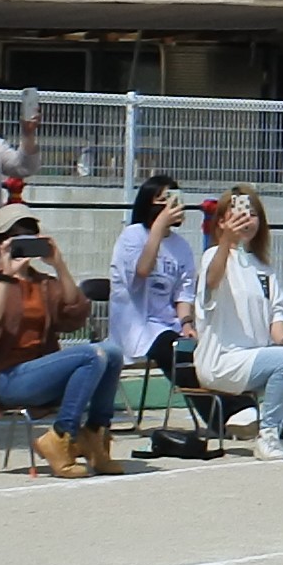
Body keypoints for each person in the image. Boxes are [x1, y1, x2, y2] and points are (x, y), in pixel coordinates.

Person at [190, 186, 283, 461]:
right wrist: (226, 241)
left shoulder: (264, 267)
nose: (247, 219)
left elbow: (277, 320)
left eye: (253, 214)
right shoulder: (213, 257)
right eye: (239, 213)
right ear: (221, 222)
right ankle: (268, 435)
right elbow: (211, 282)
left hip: (258, 356)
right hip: (223, 360)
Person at [0, 203, 121, 478]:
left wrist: (59, 264)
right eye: (15, 236)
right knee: (91, 355)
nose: (23, 241)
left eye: (30, 234)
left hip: (41, 374)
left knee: (111, 352)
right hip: (4, 378)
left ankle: (95, 435)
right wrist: (6, 275)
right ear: (0, 242)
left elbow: (75, 315)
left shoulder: (43, 283)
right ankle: (61, 435)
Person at [110, 174, 222, 434]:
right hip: (136, 323)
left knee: (204, 346)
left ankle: (237, 408)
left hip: (168, 323)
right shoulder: (133, 236)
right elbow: (142, 271)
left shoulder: (181, 246)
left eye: (176, 198)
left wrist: (187, 322)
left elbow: (183, 293)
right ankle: (219, 417)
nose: (173, 205)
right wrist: (158, 231)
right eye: (164, 200)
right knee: (175, 351)